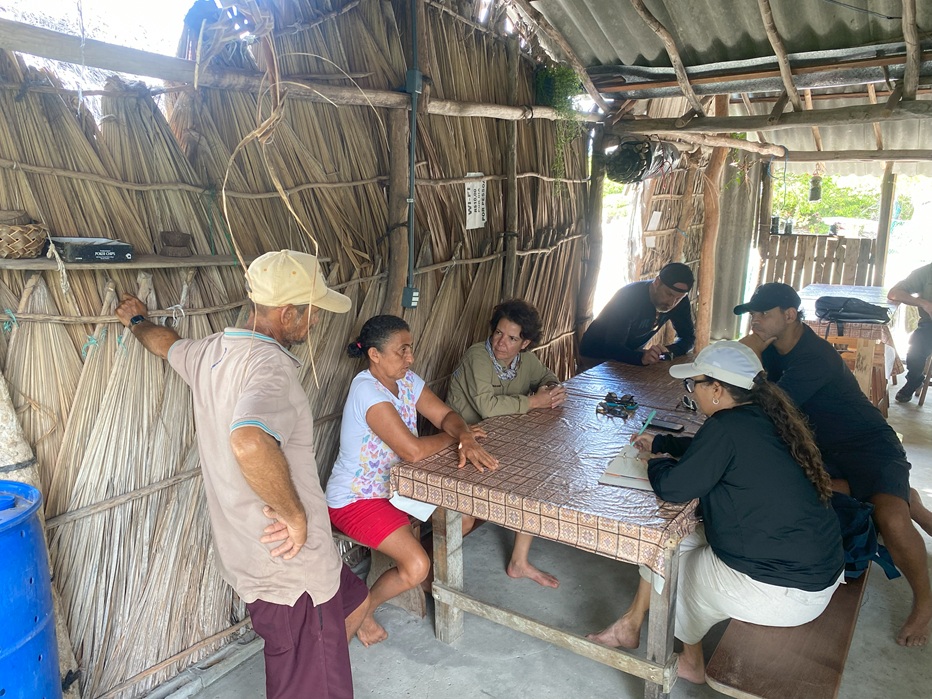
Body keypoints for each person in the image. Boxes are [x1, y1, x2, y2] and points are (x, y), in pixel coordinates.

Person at [115, 250, 370, 699]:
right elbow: (249, 440)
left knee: (354, 598)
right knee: (307, 687)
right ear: (288, 313)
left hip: (257, 555)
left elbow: (164, 343)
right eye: (312, 312)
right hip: (293, 574)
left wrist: (137, 321)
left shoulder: (212, 352)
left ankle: (322, 661)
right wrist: (295, 516)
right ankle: (319, 670)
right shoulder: (270, 368)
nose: (316, 321)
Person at [588, 341, 844, 684]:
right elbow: (710, 450)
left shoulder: (726, 427)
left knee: (672, 565)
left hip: (783, 591)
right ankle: (629, 624)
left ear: (717, 389)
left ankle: (691, 662)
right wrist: (662, 443)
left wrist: (655, 462)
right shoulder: (763, 415)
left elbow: (673, 487)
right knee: (671, 542)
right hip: (814, 571)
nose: (692, 392)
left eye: (694, 384)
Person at [736, 282, 932, 647]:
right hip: (824, 448)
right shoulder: (773, 348)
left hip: (868, 445)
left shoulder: (815, 357)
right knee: (807, 494)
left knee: (890, 519)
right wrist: (754, 347)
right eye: (752, 314)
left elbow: (770, 410)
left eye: (763, 313)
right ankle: (905, 497)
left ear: (789, 315)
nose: (755, 321)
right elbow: (736, 371)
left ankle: (924, 604)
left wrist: (749, 357)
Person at [326, 314, 499, 647]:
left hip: (400, 487)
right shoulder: (367, 391)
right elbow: (413, 451)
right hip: (357, 498)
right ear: (374, 355)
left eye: (410, 348)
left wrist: (464, 434)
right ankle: (364, 609)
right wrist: (456, 438)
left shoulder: (405, 380)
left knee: (464, 517)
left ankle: (421, 574)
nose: (410, 357)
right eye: (401, 350)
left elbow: (445, 415)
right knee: (417, 565)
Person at [446, 299, 567, 588]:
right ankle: (428, 564)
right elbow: (487, 407)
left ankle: (518, 562)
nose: (501, 343)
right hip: (464, 441)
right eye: (498, 333)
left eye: (512, 338)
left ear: (525, 343)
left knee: (533, 476)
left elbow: (548, 376)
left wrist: (550, 389)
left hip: (501, 439)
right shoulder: (478, 356)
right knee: (465, 516)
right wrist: (534, 402)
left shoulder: (526, 361)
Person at [579, 262, 695, 366]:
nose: (671, 303)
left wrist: (668, 351)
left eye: (678, 298)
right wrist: (641, 358)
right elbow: (612, 347)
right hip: (596, 353)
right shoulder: (629, 298)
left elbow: (688, 338)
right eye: (669, 294)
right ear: (657, 282)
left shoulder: (680, 302)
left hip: (631, 353)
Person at [887, 262, 932, 404]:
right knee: (916, 348)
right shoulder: (926, 272)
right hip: (929, 324)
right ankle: (914, 380)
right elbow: (894, 293)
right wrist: (924, 303)